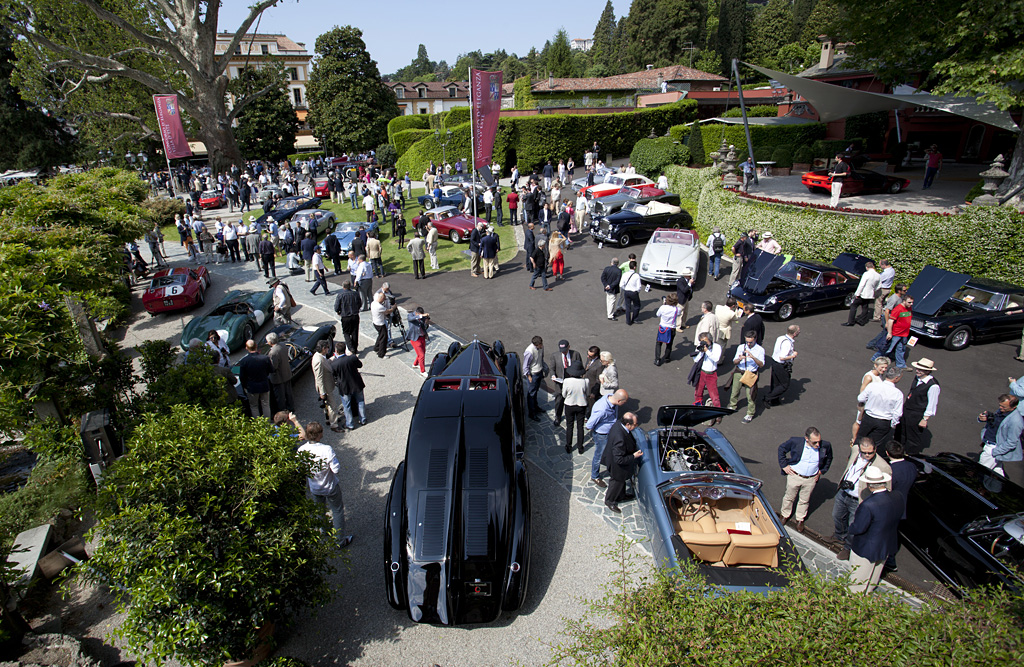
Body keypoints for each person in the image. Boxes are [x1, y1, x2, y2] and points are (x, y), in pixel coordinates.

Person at [830, 437, 893, 559]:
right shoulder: (855, 450)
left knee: (854, 525)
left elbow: (887, 489)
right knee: (837, 516)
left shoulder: (883, 466)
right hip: (843, 492)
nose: (867, 455)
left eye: (870, 452)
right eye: (864, 452)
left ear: (875, 449)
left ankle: (848, 547)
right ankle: (839, 536)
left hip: (859, 499)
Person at [298, 422, 353, 548]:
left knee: (320, 510)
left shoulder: (301, 451)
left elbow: (301, 469)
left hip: (315, 487)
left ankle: (323, 530)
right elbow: (336, 469)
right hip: (330, 486)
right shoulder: (326, 449)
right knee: (337, 510)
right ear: (319, 434)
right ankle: (339, 540)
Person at [846, 467, 901, 593]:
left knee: (857, 583)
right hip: (885, 544)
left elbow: (858, 528)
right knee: (873, 578)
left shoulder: (868, 505)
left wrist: (850, 528)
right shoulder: (897, 496)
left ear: (870, 486)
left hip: (866, 548)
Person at [777, 427, 833, 533]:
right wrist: (784, 465)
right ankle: (784, 515)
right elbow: (781, 449)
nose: (818, 445)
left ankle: (800, 519)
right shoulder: (795, 442)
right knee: (789, 497)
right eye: (815, 442)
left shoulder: (825, 445)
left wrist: (821, 471)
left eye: (819, 441)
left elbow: (829, 458)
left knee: (804, 500)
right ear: (806, 439)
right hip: (795, 476)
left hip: (811, 479)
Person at [884, 440, 917, 573]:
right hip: (903, 505)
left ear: (887, 453)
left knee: (887, 534)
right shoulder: (911, 466)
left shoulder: (891, 471)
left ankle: (890, 560)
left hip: (891, 507)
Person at [855, 366, 904, 454]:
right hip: (884, 422)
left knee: (860, 439)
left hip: (868, 418)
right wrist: (892, 424)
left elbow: (861, 398)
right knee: (874, 444)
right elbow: (898, 413)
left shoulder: (873, 386)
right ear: (896, 378)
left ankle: (853, 457)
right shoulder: (898, 394)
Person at [587, 389, 629, 489]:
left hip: (610, 432)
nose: (624, 404)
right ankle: (595, 476)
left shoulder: (610, 396)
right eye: (624, 402)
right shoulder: (602, 409)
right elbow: (589, 424)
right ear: (619, 401)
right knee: (599, 455)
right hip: (602, 435)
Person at [980, 395, 1024, 485]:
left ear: (1013, 407)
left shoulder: (1016, 421)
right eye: (1000, 405)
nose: (1000, 408)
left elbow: (1011, 442)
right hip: (990, 444)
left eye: (1003, 407)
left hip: (993, 448)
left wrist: (995, 452)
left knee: (980, 471)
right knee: (997, 471)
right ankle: (999, 488)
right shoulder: (1002, 412)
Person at [899, 358, 940, 455]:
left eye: (921, 369)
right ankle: (900, 452)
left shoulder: (933, 386)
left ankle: (910, 455)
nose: (917, 371)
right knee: (902, 432)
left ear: (928, 371)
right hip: (907, 409)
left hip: (917, 413)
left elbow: (932, 404)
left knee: (913, 436)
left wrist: (925, 419)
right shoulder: (917, 378)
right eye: (917, 368)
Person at [603, 412, 642, 513]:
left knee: (621, 482)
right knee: (616, 482)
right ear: (628, 424)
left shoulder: (619, 424)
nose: (636, 426)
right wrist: (634, 456)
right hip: (617, 467)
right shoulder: (620, 437)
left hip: (618, 464)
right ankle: (610, 500)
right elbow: (619, 459)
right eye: (635, 425)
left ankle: (621, 495)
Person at [728, 330, 765, 423]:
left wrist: (753, 357)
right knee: (734, 391)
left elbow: (761, 365)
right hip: (739, 371)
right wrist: (740, 359)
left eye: (750, 342)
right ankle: (732, 406)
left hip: (751, 374)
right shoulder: (741, 347)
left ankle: (750, 413)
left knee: (751, 395)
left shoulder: (760, 350)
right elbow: (734, 362)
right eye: (747, 341)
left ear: (755, 339)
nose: (748, 344)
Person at [853, 357, 890, 444]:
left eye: (885, 367)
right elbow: (862, 390)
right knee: (858, 422)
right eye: (882, 367)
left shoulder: (879, 375)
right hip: (866, 404)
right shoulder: (869, 377)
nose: (884, 369)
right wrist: (862, 405)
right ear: (875, 365)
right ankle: (854, 439)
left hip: (873, 403)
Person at [762, 325, 800, 408]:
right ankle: (768, 397)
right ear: (795, 333)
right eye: (798, 331)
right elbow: (782, 357)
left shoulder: (781, 338)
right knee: (784, 385)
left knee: (776, 383)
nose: (799, 332)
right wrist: (793, 355)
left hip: (775, 362)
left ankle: (774, 400)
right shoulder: (787, 343)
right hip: (781, 365)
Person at [311, 339, 344, 432]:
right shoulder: (318, 360)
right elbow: (319, 378)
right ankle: (334, 424)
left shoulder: (320, 356)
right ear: (324, 348)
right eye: (327, 348)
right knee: (332, 405)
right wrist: (322, 392)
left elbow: (326, 363)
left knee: (326, 405)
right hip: (325, 387)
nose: (328, 349)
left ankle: (329, 419)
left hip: (326, 386)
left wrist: (333, 358)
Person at [332, 341, 366, 429]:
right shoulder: (352, 358)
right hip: (356, 384)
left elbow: (334, 376)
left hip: (345, 387)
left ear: (336, 351)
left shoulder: (334, 364)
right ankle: (363, 419)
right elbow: (360, 365)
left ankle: (350, 424)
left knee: (347, 406)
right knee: (360, 401)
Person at [237, 339, 274, 419]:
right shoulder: (265, 358)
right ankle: (267, 423)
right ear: (256, 346)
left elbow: (242, 376)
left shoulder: (244, 361)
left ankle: (258, 425)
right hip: (264, 384)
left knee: (254, 406)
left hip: (252, 387)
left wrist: (245, 386)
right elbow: (271, 370)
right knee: (266, 405)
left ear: (246, 348)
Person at [551, 340, 582, 427]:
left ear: (569, 347)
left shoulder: (576, 354)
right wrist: (553, 375)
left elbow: (580, 367)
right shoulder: (555, 356)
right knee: (559, 401)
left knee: (573, 400)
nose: (563, 352)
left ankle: (572, 416)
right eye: (562, 350)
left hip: (573, 382)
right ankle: (558, 416)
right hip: (560, 383)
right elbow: (552, 368)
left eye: (565, 350)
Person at [561, 361, 589, 455]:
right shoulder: (585, 381)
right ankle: (580, 447)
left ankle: (568, 446)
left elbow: (563, 394)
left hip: (569, 404)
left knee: (570, 426)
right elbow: (587, 393)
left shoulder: (567, 381)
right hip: (581, 405)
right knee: (580, 427)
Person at [881, 294, 914, 369]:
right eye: (909, 302)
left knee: (901, 349)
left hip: (904, 334)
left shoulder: (909, 308)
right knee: (887, 348)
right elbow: (890, 321)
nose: (911, 304)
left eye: (912, 302)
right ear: (904, 301)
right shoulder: (898, 309)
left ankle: (901, 365)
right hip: (896, 333)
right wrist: (889, 333)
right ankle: (876, 358)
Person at [843, 261, 879, 327]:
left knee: (853, 306)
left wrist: (857, 294)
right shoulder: (878, 275)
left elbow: (861, 285)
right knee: (865, 307)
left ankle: (851, 321)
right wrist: (873, 291)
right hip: (870, 294)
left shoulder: (866, 274)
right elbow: (878, 286)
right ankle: (862, 321)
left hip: (863, 293)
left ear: (867, 267)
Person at [691, 332, 722, 407]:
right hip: (701, 372)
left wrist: (707, 351)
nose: (704, 343)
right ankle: (698, 404)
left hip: (711, 374)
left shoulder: (717, 347)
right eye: (702, 341)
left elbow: (716, 359)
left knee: (714, 394)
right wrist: (701, 352)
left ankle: (717, 410)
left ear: (710, 340)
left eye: (705, 341)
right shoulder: (700, 346)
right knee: (698, 391)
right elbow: (695, 360)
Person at [267, 331, 295, 413]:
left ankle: (282, 411)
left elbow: (273, 367)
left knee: (280, 396)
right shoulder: (283, 345)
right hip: (286, 373)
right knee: (288, 393)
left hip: (278, 377)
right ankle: (291, 408)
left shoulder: (273, 352)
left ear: (270, 342)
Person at [521, 336, 546, 421]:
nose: (542, 346)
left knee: (536, 391)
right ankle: (532, 413)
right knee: (531, 394)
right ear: (536, 344)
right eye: (540, 344)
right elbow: (525, 366)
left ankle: (536, 407)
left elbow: (541, 358)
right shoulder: (529, 352)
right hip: (533, 375)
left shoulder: (541, 348)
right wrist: (529, 376)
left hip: (539, 372)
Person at [333, 281, 360, 354]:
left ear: (343, 286)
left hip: (345, 316)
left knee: (346, 333)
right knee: (355, 332)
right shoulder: (355, 294)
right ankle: (354, 347)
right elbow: (360, 303)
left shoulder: (340, 295)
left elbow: (336, 307)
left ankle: (351, 347)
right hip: (354, 315)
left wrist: (339, 311)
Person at [654, 294, 681, 366]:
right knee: (669, 344)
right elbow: (678, 314)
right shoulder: (677, 309)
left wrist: (664, 305)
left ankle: (657, 359)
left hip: (663, 328)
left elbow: (657, 314)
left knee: (659, 343)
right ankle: (667, 358)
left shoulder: (663, 307)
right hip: (671, 328)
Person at [370, 290, 397, 359]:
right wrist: (394, 307)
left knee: (381, 336)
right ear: (381, 298)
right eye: (384, 299)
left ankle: (376, 347)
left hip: (375, 322)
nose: (384, 301)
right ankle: (381, 354)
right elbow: (388, 311)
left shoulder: (373, 303)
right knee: (384, 338)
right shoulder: (379, 306)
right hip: (380, 323)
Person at [406, 307, 430, 376]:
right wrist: (421, 316)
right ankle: (422, 371)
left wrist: (426, 322)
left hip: (422, 336)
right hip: (415, 338)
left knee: (422, 352)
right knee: (421, 355)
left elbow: (424, 327)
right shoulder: (410, 315)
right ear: (416, 313)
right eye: (420, 314)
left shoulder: (422, 317)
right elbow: (411, 319)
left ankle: (415, 364)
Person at [620, 260, 642, 325]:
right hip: (634, 292)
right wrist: (637, 291)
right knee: (637, 306)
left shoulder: (625, 274)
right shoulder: (636, 275)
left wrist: (625, 289)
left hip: (626, 291)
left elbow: (621, 285)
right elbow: (639, 286)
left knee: (628, 306)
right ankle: (635, 319)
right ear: (635, 267)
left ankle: (628, 321)